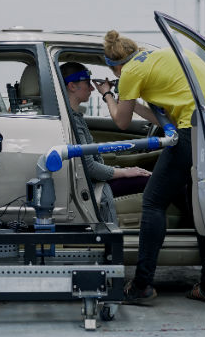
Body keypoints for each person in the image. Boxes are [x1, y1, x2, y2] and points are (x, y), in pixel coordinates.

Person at [94, 30, 205, 305]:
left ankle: (142, 285)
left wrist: (108, 94)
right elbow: (166, 118)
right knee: (200, 204)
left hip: (196, 129)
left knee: (152, 202)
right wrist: (135, 103)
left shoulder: (130, 72)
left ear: (115, 66)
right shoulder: (166, 53)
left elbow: (120, 121)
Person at [60, 62, 151, 224]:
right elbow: (90, 168)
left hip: (94, 181)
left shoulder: (75, 118)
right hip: (92, 185)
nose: (92, 89)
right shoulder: (71, 121)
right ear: (72, 86)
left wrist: (126, 169)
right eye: (88, 83)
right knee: (156, 182)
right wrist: (125, 172)